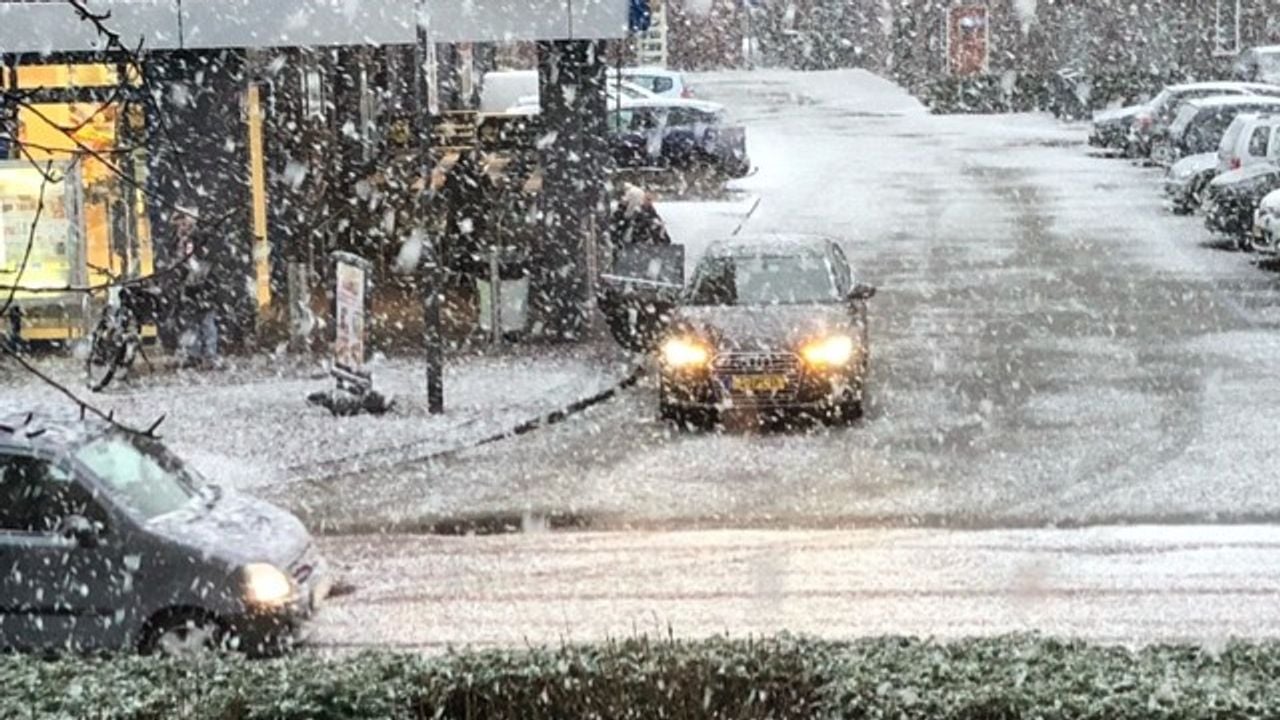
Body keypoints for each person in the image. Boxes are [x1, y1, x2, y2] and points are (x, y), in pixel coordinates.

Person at [172, 206, 221, 369]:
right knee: (192, 321)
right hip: (191, 287)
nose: (181, 227)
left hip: (201, 286)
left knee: (206, 321)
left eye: (183, 223)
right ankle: (195, 354)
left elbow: (202, 263)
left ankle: (208, 355)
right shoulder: (181, 241)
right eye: (179, 224)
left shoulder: (197, 239)